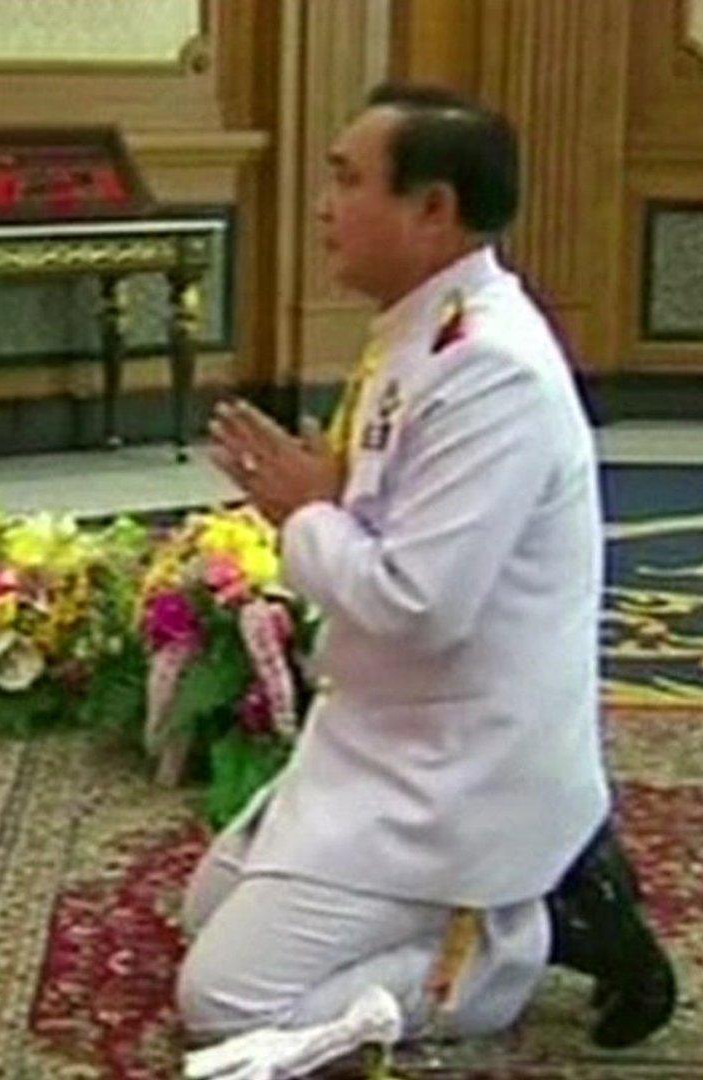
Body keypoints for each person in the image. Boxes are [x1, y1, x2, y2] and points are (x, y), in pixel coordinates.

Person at [178, 82, 676, 1066]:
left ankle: (514, 949)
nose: (324, 205)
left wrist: (304, 511)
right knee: (206, 911)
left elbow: (418, 605)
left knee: (227, 1003)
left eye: (348, 180)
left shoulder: (490, 368)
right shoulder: (424, 332)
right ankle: (502, 904)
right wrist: (328, 500)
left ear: (433, 209)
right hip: (384, 733)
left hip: (457, 766)